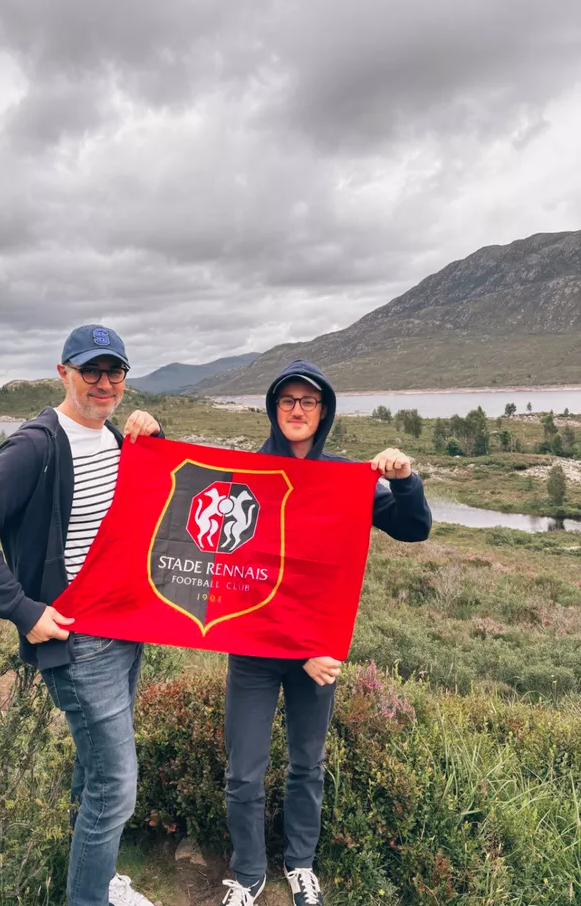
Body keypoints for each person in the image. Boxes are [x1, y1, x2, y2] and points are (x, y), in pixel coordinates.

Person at [0, 324, 163, 906]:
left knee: (95, 771)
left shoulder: (115, 438)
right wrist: (22, 611)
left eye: (114, 371)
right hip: (78, 636)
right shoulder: (35, 445)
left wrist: (153, 437)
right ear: (63, 372)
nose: (103, 383)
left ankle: (98, 875)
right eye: (89, 370)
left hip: (124, 627)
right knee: (116, 787)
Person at [220, 360, 432, 906]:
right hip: (256, 650)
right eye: (287, 400)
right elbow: (185, 507)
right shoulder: (246, 471)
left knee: (306, 766)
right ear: (273, 409)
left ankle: (300, 866)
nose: (297, 410)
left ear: (323, 412)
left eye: (307, 402)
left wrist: (404, 480)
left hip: (318, 655)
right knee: (244, 773)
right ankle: (247, 876)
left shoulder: (347, 479)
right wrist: (151, 440)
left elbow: (415, 528)